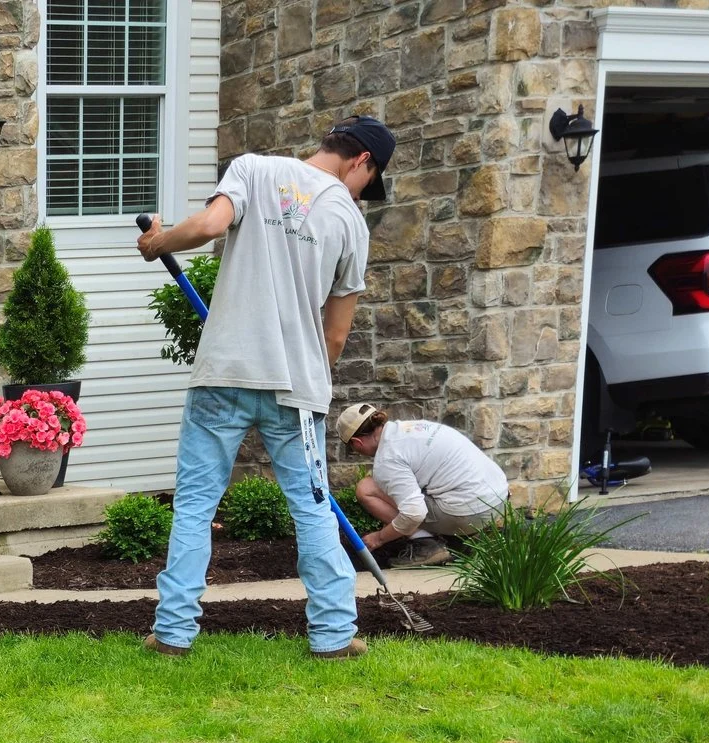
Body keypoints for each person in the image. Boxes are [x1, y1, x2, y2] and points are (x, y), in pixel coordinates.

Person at [135, 116, 393, 660]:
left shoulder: (253, 170)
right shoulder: (351, 221)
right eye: (370, 180)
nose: (363, 190)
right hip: (296, 387)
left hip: (224, 372)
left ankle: (173, 634)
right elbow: (337, 333)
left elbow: (206, 227)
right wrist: (310, 381)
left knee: (196, 507)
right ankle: (334, 636)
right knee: (313, 508)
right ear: (361, 161)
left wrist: (160, 241)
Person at [332, 403, 509, 568]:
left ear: (357, 442)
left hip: (466, 513)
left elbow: (414, 514)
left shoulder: (388, 458)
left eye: (353, 448)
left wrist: (378, 538)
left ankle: (426, 545)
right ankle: (460, 540)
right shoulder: (411, 428)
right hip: (498, 500)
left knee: (366, 489)